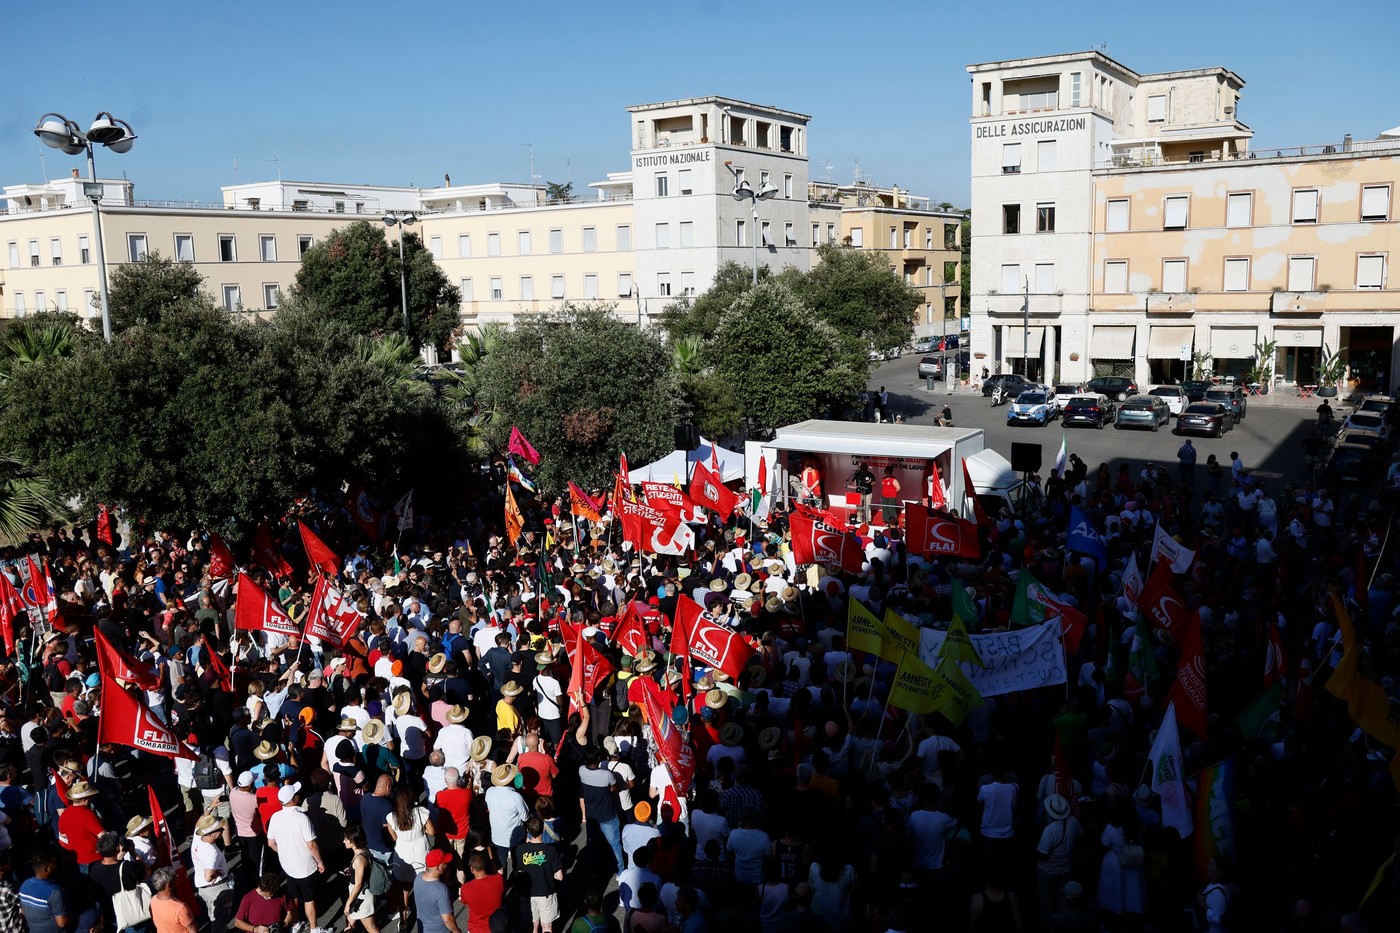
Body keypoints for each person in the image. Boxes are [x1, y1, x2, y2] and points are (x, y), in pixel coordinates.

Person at [264, 781, 327, 933]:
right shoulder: (302, 819)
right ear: (293, 799)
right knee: (309, 899)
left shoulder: (275, 817)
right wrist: (320, 862)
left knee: (293, 897)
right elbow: (312, 845)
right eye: (296, 794)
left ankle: (296, 923)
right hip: (305, 866)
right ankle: (314, 928)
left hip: (288, 865)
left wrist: (284, 852)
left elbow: (271, 843)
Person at [513, 817, 564, 933]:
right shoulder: (551, 850)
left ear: (528, 831)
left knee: (533, 927)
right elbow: (559, 876)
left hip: (528, 893)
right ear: (543, 831)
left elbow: (518, 871)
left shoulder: (520, 849)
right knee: (547, 927)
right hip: (546, 893)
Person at [21, 850, 71, 933]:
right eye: (54, 863)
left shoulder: (25, 884)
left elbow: (23, 911)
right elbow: (62, 923)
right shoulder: (55, 891)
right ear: (46, 869)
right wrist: (75, 916)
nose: (56, 865)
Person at [342, 825, 380, 933]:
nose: (344, 841)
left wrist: (348, 903)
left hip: (361, 895)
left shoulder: (359, 859)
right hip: (359, 893)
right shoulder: (363, 850)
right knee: (350, 921)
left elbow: (358, 884)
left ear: (353, 841)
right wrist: (351, 871)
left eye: (346, 839)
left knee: (371, 927)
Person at [414, 849, 462, 933]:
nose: (446, 864)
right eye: (445, 862)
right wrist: (457, 931)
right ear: (438, 867)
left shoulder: (418, 877)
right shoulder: (441, 890)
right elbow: (447, 919)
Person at [459, 851, 504, 933]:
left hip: (476, 928)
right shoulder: (499, 879)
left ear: (472, 869)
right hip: (497, 925)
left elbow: (465, 904)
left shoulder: (465, 888)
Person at [149, 866, 197, 933]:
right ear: (169, 885)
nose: (176, 882)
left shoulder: (153, 900)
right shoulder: (180, 908)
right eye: (175, 879)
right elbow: (193, 930)